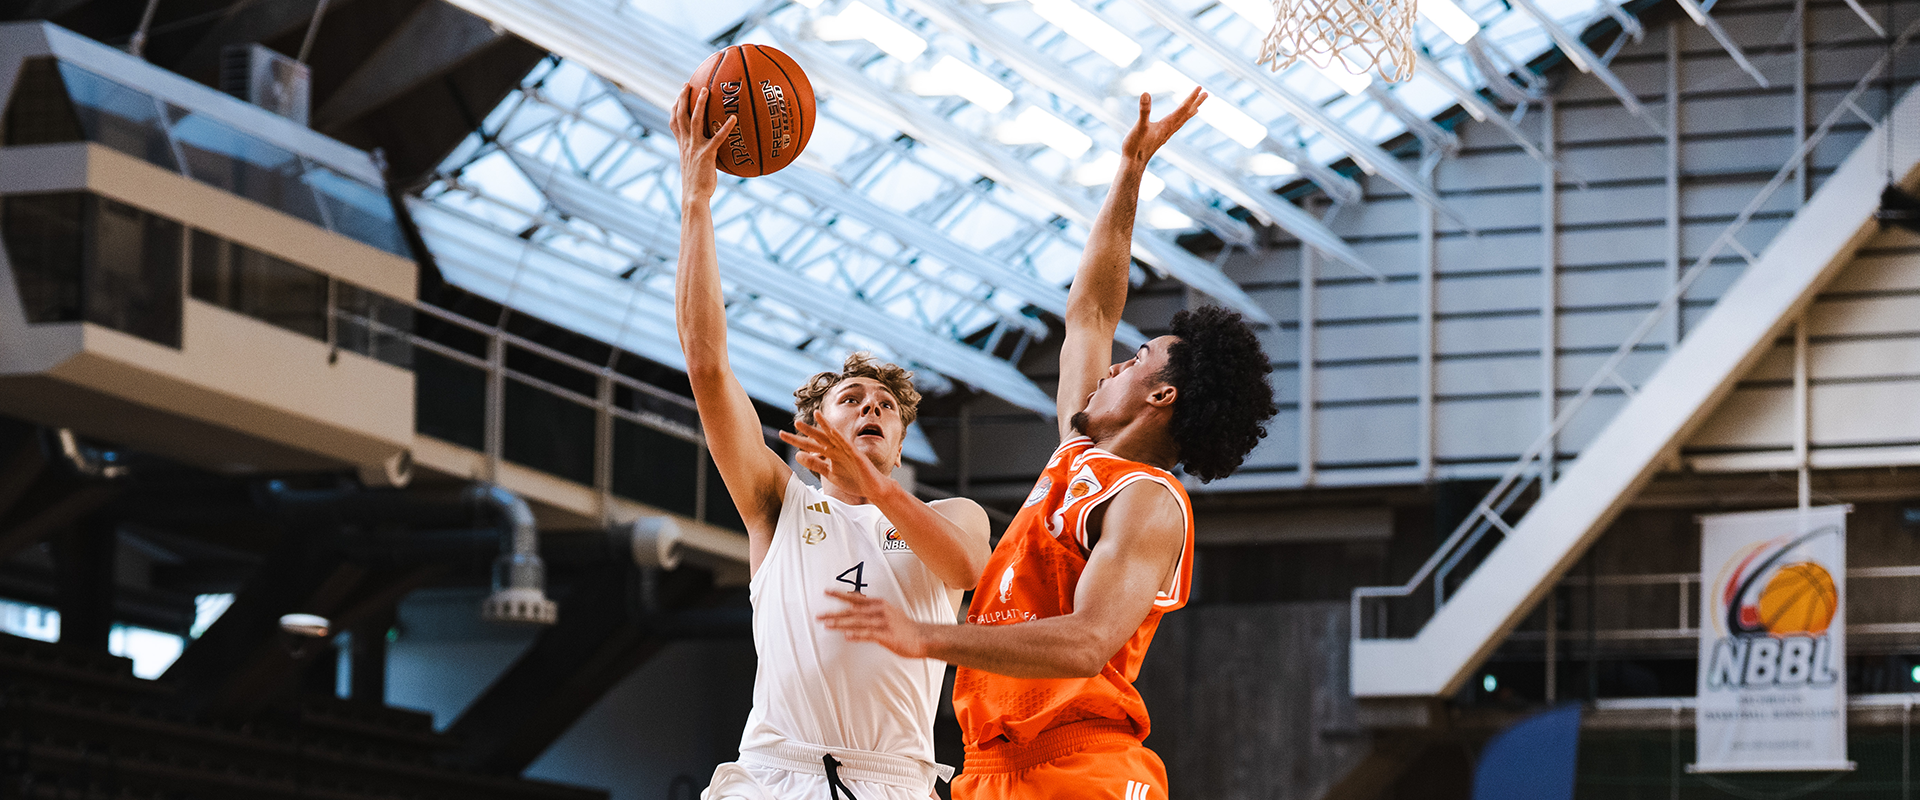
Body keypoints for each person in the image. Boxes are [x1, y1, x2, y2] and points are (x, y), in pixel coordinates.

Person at [818, 87, 1278, 800]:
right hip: (990, 767)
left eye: (1141, 357)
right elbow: (1091, 308)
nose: (1118, 359)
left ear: (1163, 397)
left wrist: (927, 636)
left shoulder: (1149, 502)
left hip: (1080, 767)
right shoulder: (1077, 452)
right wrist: (1130, 169)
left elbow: (1086, 642)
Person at [671, 83, 992, 800]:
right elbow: (705, 362)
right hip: (777, 775)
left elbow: (968, 567)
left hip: (895, 782)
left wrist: (877, 488)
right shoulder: (776, 505)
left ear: (902, 446)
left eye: (886, 406)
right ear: (817, 428)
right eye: (852, 400)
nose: (872, 408)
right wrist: (697, 206)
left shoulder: (955, 514)